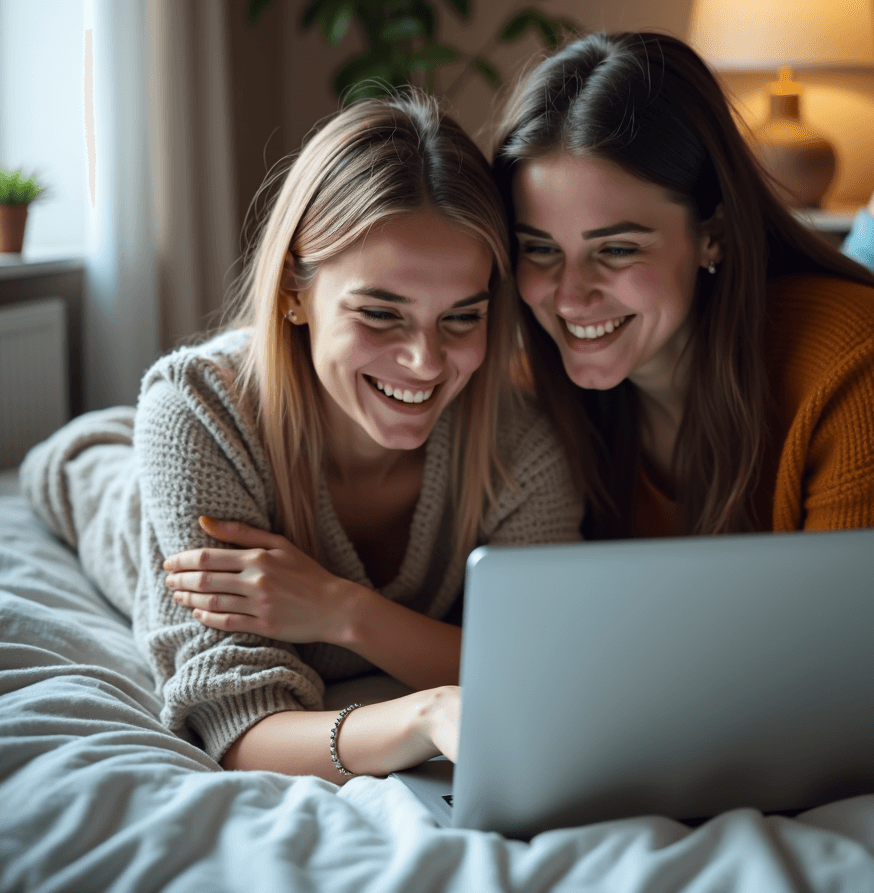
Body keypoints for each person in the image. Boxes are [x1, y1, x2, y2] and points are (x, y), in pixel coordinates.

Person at [21, 94, 583, 782]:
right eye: (381, 314)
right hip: (103, 481)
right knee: (84, 461)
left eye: (462, 318)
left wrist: (343, 611)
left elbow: (548, 664)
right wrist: (427, 714)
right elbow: (241, 724)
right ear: (294, 290)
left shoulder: (519, 445)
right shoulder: (195, 413)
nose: (426, 362)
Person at [491, 25, 874, 607]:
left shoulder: (866, 358)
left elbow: (865, 652)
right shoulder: (529, 395)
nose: (569, 298)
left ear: (712, 235)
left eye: (617, 249)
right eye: (540, 248)